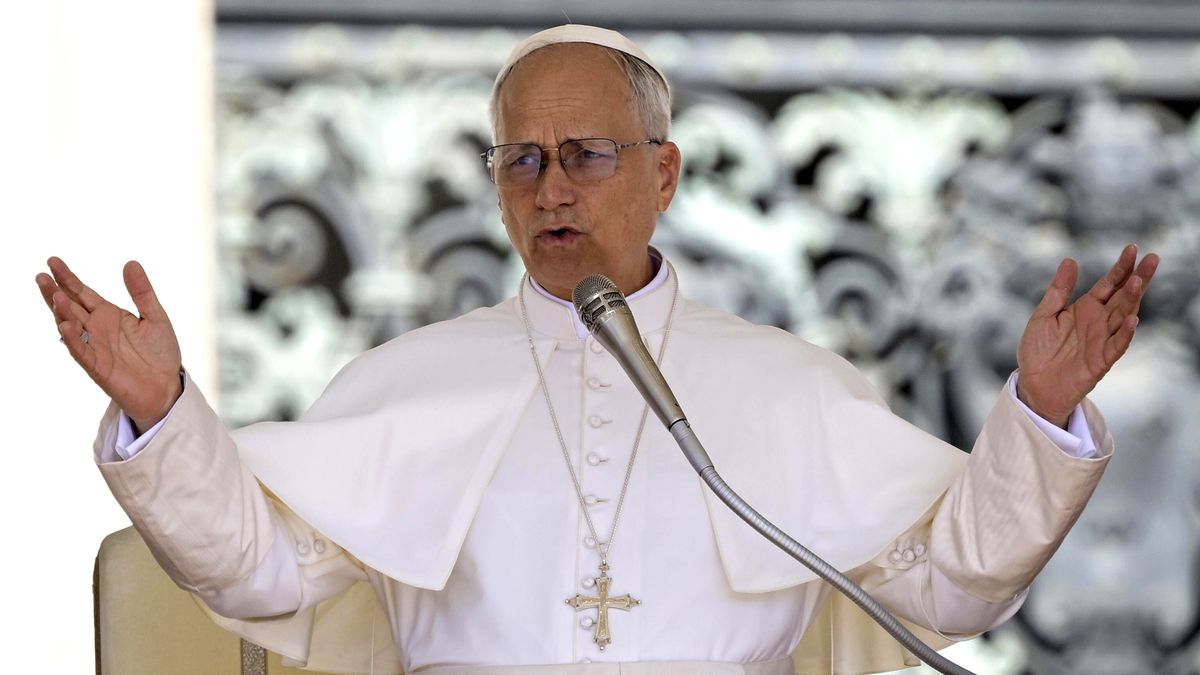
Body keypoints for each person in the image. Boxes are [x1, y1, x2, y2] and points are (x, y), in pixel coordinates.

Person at [37, 24, 1158, 675]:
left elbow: (950, 586)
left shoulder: (790, 386)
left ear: (663, 175)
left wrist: (1040, 415)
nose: (551, 188)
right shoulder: (405, 386)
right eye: (519, 162)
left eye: (584, 155)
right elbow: (255, 571)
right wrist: (167, 413)